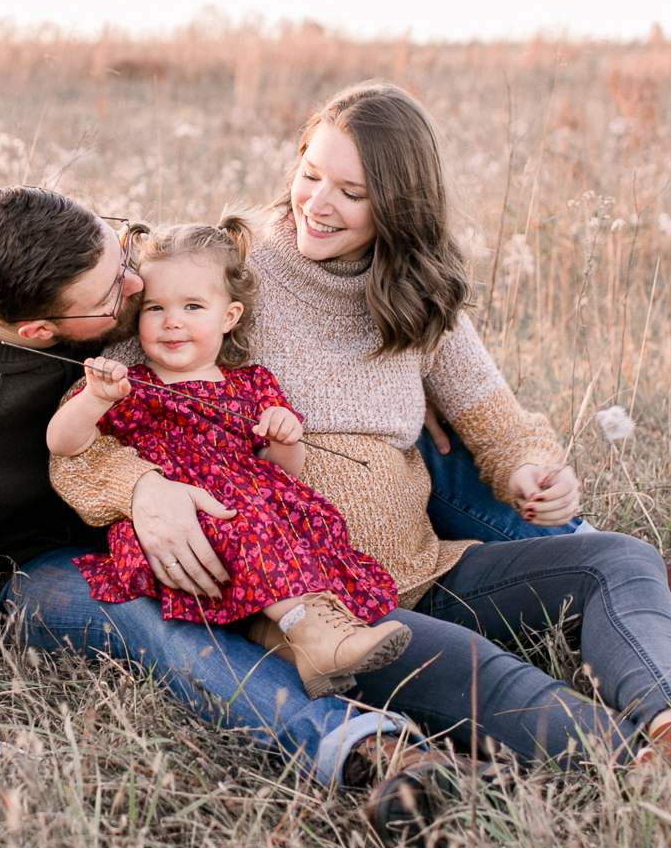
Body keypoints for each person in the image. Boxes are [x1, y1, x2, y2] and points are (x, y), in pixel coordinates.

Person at [48, 82, 671, 785]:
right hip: (324, 603)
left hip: (428, 567)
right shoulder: (226, 277)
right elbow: (104, 414)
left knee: (620, 560)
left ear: (400, 205)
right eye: (310, 173)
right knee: (475, 666)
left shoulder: (415, 291)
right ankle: (642, 768)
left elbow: (495, 417)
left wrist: (534, 468)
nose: (316, 202)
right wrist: (141, 488)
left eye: (352, 192)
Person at [0, 186, 479, 843]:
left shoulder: (65, 252)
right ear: (39, 334)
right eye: (113, 295)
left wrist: (409, 379)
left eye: (120, 254)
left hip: (201, 492)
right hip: (41, 562)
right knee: (151, 624)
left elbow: (214, 290)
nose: (134, 287)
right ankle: (370, 750)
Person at [47, 219, 410, 698]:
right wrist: (94, 398)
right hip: (190, 521)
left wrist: (285, 435)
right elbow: (63, 444)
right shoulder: (130, 385)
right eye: (155, 308)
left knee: (298, 519)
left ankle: (291, 638)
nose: (171, 321)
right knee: (246, 524)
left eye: (192, 306)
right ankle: (317, 634)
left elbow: (284, 473)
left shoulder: (251, 384)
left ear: (229, 316)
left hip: (252, 508)